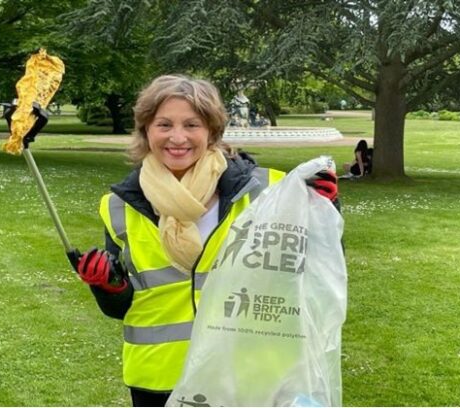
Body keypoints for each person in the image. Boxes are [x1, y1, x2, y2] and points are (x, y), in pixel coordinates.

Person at [70, 74, 339, 407]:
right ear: (145, 130)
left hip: (246, 374)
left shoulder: (265, 191)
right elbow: (122, 307)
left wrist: (324, 212)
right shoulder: (118, 207)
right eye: (164, 124)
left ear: (212, 130)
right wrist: (108, 285)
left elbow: (312, 270)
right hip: (158, 378)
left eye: (192, 124)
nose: (178, 137)